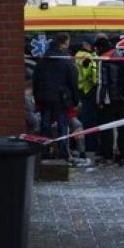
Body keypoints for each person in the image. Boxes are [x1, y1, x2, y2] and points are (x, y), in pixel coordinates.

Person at [33, 33, 80, 163]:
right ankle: (63, 152)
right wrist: (75, 100)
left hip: (44, 98)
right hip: (61, 99)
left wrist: (37, 97)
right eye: (68, 41)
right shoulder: (65, 60)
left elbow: (35, 80)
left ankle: (45, 151)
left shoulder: (43, 59)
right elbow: (73, 82)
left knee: (45, 125)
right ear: (64, 42)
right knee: (62, 126)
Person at [95, 36, 124, 166]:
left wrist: (100, 101)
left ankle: (107, 156)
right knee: (122, 128)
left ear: (101, 48)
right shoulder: (121, 56)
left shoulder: (104, 59)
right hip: (123, 99)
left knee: (107, 128)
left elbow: (102, 83)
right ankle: (122, 155)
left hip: (110, 100)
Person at [75, 38, 99, 153]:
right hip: (88, 89)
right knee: (90, 120)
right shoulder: (86, 56)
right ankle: (91, 146)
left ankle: (83, 145)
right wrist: (97, 83)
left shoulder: (78, 55)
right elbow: (92, 74)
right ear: (85, 44)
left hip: (81, 90)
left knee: (83, 118)